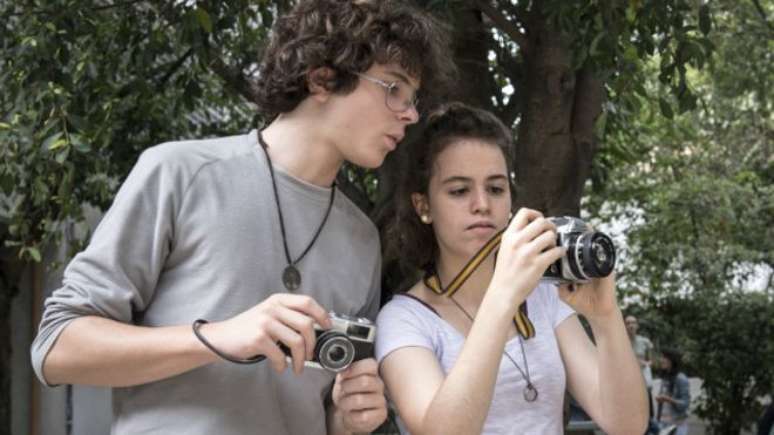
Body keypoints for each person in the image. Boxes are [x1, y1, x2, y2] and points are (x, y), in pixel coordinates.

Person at [29, 1, 455, 434]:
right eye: (394, 88)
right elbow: (57, 347)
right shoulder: (180, 174)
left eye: (414, 98)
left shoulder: (362, 237)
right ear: (322, 78)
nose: (411, 113)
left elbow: (318, 406)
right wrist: (216, 336)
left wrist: (344, 418)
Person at [375, 102, 649, 434]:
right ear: (424, 206)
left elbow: (627, 425)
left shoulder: (543, 295)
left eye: (495, 188)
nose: (482, 205)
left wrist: (606, 317)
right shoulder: (405, 319)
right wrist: (503, 297)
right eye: (459, 191)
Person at [626, 314, 656, 427]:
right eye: (628, 323)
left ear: (637, 325)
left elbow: (653, 359)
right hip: (628, 381)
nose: (631, 325)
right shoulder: (620, 341)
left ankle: (651, 427)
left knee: (647, 408)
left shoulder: (644, 341)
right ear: (624, 326)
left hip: (643, 379)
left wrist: (647, 363)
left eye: (633, 323)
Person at [655, 348, 691, 435]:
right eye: (661, 357)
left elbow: (685, 404)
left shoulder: (681, 378)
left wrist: (668, 399)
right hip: (663, 424)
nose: (661, 360)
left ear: (672, 361)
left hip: (677, 426)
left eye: (664, 358)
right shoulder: (665, 377)